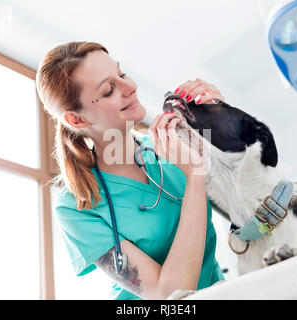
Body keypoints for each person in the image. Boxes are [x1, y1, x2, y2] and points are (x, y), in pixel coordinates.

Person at [35, 41, 226, 300]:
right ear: (77, 119)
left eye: (122, 74)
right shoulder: (75, 205)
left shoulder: (175, 143)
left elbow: (252, 211)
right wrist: (194, 176)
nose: (131, 86)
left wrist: (223, 120)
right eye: (110, 89)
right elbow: (168, 296)